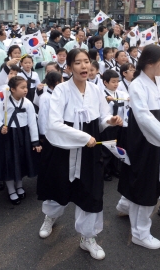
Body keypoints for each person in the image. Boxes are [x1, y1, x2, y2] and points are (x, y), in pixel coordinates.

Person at [37, 49, 122, 260]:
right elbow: (54, 124)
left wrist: (109, 121)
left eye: (87, 62)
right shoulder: (61, 91)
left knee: (91, 192)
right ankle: (50, 216)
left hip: (90, 151)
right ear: (69, 67)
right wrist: (83, 137)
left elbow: (101, 118)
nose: (84, 66)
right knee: (58, 187)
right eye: (78, 63)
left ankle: (87, 237)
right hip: (63, 149)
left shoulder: (95, 90)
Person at [115, 45, 160, 250]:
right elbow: (144, 117)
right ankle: (140, 233)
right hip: (145, 142)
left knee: (145, 180)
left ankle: (125, 204)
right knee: (145, 184)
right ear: (150, 63)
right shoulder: (137, 85)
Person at [0, 74, 41, 205]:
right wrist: (1, 127)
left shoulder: (27, 103)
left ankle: (19, 185)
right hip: (8, 137)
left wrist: (35, 141)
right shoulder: (4, 102)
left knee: (21, 161)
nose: (25, 90)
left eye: (26, 87)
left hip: (23, 135)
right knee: (9, 163)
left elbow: (32, 123)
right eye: (22, 87)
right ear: (12, 89)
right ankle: (11, 189)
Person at [100, 69, 129, 181]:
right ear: (105, 82)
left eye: (117, 81)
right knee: (107, 149)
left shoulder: (121, 93)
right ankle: (106, 171)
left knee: (118, 147)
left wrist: (130, 99)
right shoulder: (101, 94)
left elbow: (128, 100)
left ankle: (116, 169)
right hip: (108, 126)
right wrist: (106, 100)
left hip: (120, 125)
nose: (116, 84)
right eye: (113, 82)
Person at [36, 71, 63, 140]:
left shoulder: (58, 94)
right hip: (49, 133)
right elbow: (43, 116)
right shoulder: (45, 97)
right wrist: (43, 134)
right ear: (57, 82)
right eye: (62, 81)